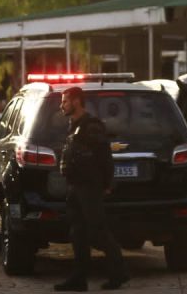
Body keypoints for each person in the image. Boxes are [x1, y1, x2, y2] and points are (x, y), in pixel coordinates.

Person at [55, 86, 129, 292]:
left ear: (77, 102)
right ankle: (79, 279)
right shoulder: (74, 125)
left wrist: (106, 184)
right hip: (75, 187)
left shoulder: (91, 126)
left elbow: (104, 156)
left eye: (65, 101)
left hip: (90, 187)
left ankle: (119, 272)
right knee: (77, 234)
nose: (62, 105)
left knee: (98, 232)